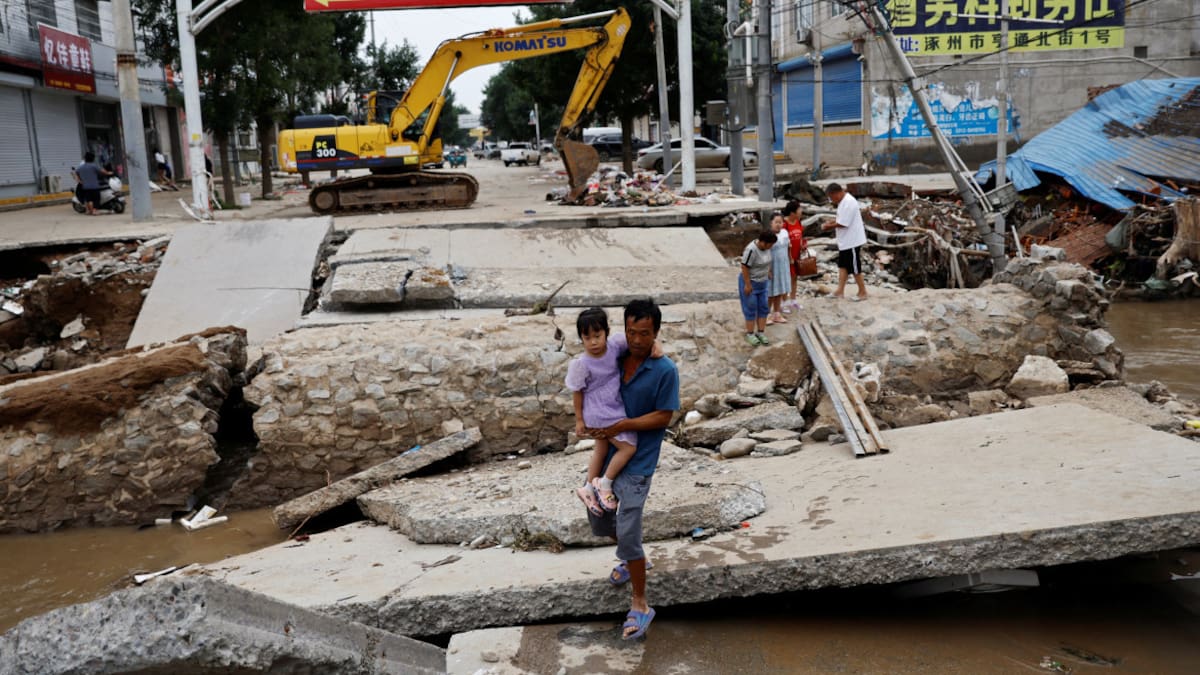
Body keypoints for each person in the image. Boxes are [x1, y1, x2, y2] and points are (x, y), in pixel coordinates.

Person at [586, 298, 679, 641]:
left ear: (656, 333)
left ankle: (640, 603)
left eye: (646, 334)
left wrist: (624, 423)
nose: (638, 340)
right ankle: (630, 559)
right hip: (605, 454)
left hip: (638, 462)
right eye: (632, 332)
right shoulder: (615, 354)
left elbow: (664, 416)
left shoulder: (665, 369)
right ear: (624, 332)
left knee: (628, 530)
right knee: (598, 517)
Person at [566, 308, 640, 513]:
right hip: (599, 412)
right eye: (587, 338)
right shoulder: (582, 364)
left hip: (611, 405)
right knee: (628, 447)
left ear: (606, 332)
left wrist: (657, 348)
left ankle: (588, 487)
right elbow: (577, 393)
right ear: (581, 338)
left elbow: (637, 341)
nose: (593, 342)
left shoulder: (615, 346)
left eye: (597, 336)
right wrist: (580, 420)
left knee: (601, 448)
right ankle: (605, 483)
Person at [821, 183, 868, 300]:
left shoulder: (848, 202)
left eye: (832, 198)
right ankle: (839, 291)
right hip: (845, 241)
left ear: (836, 193)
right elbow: (841, 218)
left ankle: (863, 292)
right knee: (843, 266)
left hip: (852, 241)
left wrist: (828, 227)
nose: (832, 200)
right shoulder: (843, 202)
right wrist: (831, 222)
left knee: (854, 267)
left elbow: (843, 223)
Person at [739, 229, 776, 347]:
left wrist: (768, 271)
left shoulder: (768, 249)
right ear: (763, 242)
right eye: (769, 245)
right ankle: (750, 333)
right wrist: (747, 284)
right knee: (751, 307)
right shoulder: (751, 250)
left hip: (763, 282)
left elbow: (768, 260)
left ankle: (761, 332)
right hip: (752, 282)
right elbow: (744, 267)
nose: (770, 247)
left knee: (763, 307)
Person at [781, 200, 806, 313]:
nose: (801, 211)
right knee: (785, 279)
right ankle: (783, 302)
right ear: (792, 213)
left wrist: (803, 244)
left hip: (797, 255)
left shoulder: (798, 222)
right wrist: (788, 256)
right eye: (799, 209)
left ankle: (793, 300)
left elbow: (800, 236)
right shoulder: (784, 224)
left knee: (794, 278)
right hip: (787, 257)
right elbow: (782, 242)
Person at [766, 212, 792, 325]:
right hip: (772, 266)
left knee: (780, 291)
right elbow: (764, 253)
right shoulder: (768, 236)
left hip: (783, 265)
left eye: (780, 222)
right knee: (770, 292)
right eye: (776, 222)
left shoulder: (785, 233)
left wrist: (790, 259)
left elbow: (788, 247)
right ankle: (766, 314)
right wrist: (767, 269)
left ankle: (776, 313)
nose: (778, 224)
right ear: (771, 223)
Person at [72, 152, 109, 216]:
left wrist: (79, 180)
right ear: (93, 158)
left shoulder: (81, 167)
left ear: (85, 158)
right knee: (96, 199)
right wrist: (108, 173)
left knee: (89, 199)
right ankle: (94, 211)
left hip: (85, 187)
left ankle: (90, 211)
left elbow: (75, 173)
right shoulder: (93, 166)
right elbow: (101, 171)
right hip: (95, 187)